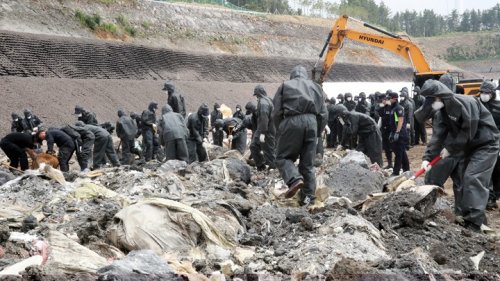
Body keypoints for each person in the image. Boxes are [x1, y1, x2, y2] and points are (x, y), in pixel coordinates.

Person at [420, 80, 499, 232]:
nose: (433, 103)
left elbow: (468, 130)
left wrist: (450, 148)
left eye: (433, 99)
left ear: (440, 96)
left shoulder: (467, 102)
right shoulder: (442, 111)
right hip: (468, 147)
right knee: (463, 181)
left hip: (486, 144)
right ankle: (473, 218)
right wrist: (427, 158)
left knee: (473, 177)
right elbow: (438, 136)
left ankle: (474, 224)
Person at [272, 65, 327, 205]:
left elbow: (276, 112)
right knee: (307, 165)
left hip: (292, 121)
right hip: (312, 123)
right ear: (305, 75)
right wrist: (318, 132)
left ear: (292, 75)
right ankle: (308, 199)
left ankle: (294, 179)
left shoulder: (285, 85)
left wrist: (281, 129)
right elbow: (323, 113)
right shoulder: (316, 87)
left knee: (282, 157)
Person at [477, 81, 500, 209]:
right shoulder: (476, 105)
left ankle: (495, 195)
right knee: (486, 171)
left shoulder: (498, 107)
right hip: (481, 143)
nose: (484, 95)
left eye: (487, 93)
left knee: (497, 169)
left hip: (496, 142)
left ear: (492, 94)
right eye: (482, 92)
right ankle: (489, 197)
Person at [250, 85, 276, 170]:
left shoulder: (263, 103)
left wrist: (263, 133)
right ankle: (263, 166)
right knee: (256, 146)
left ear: (258, 94)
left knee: (268, 150)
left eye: (256, 95)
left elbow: (264, 118)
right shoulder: (268, 100)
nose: (256, 97)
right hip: (267, 129)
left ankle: (273, 168)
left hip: (266, 130)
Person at [387, 91, 409, 176]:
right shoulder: (392, 108)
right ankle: (406, 169)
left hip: (401, 134)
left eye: (390, 98)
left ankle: (396, 172)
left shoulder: (398, 108)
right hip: (395, 132)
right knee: (401, 152)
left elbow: (400, 120)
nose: (388, 100)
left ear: (394, 99)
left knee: (398, 154)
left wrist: (397, 132)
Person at [377, 92, 393, 168]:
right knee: (387, 148)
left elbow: (391, 119)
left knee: (392, 148)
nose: (381, 102)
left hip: (390, 130)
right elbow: (381, 117)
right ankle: (390, 164)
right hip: (384, 130)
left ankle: (395, 164)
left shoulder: (390, 107)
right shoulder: (382, 108)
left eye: (382, 100)